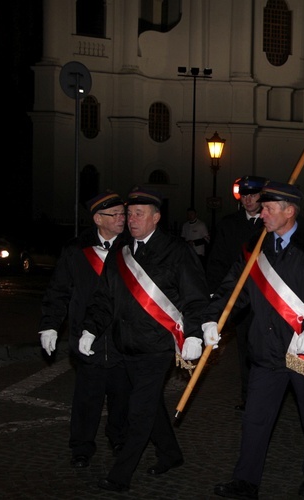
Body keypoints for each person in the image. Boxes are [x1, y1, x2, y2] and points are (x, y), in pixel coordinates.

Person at [202, 181, 304, 499]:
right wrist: (214, 316)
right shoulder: (255, 247)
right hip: (265, 348)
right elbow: (233, 288)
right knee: (255, 419)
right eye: (261, 207)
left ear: (289, 211)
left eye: (267, 208)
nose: (260, 213)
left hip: (303, 348)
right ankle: (246, 480)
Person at [80, 187, 210, 492]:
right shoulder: (120, 250)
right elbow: (103, 297)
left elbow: (195, 297)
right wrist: (90, 328)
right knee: (148, 405)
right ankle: (170, 453)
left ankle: (120, 475)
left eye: (139, 214)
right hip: (124, 344)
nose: (131, 219)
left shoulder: (177, 250)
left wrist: (192, 334)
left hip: (156, 347)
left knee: (138, 411)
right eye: (129, 213)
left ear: (156, 217)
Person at [38, 190, 130, 469]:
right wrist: (50, 326)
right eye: (114, 215)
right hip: (86, 338)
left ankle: (120, 439)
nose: (122, 219)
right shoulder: (76, 250)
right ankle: (81, 446)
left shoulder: (133, 247)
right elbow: (58, 291)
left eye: (123, 214)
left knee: (122, 394)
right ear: (97, 219)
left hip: (123, 337)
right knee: (87, 397)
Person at [205, 175, 268, 410]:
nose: (248, 199)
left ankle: (267, 393)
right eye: (244, 195)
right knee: (245, 349)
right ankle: (248, 396)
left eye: (253, 195)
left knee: (266, 348)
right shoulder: (229, 224)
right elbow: (217, 260)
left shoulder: (270, 222)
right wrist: (213, 293)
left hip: (267, 297)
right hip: (239, 298)